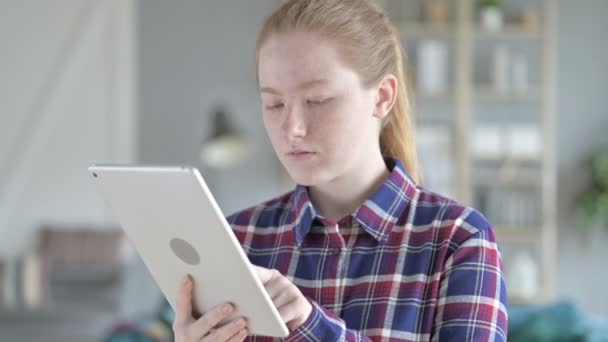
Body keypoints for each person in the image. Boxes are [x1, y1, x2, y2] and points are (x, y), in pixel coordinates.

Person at [172, 0, 508, 341]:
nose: (291, 129)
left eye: (317, 100)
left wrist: (312, 326)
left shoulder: (459, 241)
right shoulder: (235, 240)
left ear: (382, 97)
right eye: (274, 104)